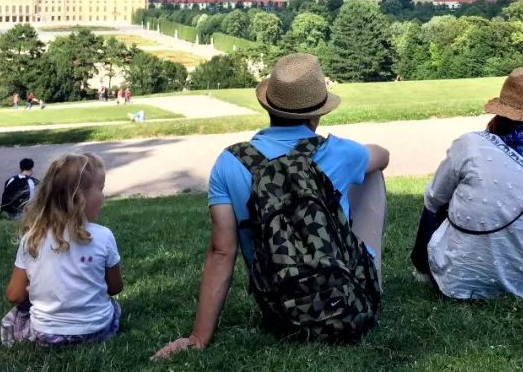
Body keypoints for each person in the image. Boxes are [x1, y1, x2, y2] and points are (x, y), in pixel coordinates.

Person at [153, 53, 389, 359]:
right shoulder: (338, 151)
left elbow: (222, 252)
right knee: (371, 176)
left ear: (269, 107)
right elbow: (383, 155)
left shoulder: (230, 162)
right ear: (316, 114)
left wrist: (198, 336)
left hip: (282, 313)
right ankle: (363, 277)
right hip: (347, 304)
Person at [410, 68, 523, 300]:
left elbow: (434, 197)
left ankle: (423, 268)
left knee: (435, 198)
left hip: (454, 281)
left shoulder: (471, 144)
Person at [2, 153, 123, 347]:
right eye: (100, 189)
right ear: (79, 199)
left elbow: (13, 295)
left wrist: (35, 290)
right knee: (114, 307)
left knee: (17, 316)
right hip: (97, 330)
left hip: (46, 335)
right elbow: (115, 288)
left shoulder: (31, 238)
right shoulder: (104, 236)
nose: (103, 195)